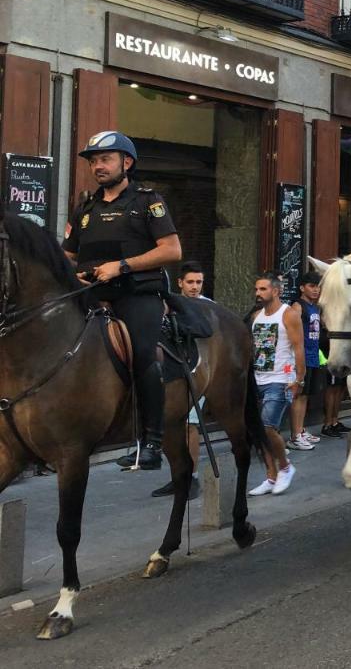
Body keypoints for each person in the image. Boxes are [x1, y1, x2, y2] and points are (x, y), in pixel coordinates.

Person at [63, 131, 182, 470]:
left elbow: (172, 250)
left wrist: (122, 266)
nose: (97, 166)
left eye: (105, 159)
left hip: (135, 294)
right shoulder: (84, 206)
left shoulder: (148, 201)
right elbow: (67, 256)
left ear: (126, 163)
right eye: (93, 161)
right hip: (91, 294)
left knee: (144, 353)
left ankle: (153, 441)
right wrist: (75, 274)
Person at [151, 261, 208, 498]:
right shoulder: (168, 305)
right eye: (191, 282)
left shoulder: (207, 309)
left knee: (189, 426)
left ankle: (191, 477)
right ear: (180, 283)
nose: (195, 287)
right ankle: (177, 475)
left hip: (198, 374)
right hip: (174, 374)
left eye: (199, 282)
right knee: (172, 426)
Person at [247, 273, 302, 496]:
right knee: (260, 431)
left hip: (280, 379)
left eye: (263, 289)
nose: (258, 293)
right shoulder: (256, 316)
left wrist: (298, 379)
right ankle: (271, 476)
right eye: (256, 289)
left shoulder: (288, 314)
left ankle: (286, 467)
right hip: (258, 378)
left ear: (276, 291)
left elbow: (298, 348)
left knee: (268, 426)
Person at [286, 270, 324, 447]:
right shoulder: (297, 306)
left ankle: (300, 430)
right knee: (298, 396)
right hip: (301, 358)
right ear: (302, 288)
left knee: (305, 396)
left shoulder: (315, 307)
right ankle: (294, 435)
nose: (316, 290)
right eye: (312, 286)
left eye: (318, 286)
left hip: (313, 355)